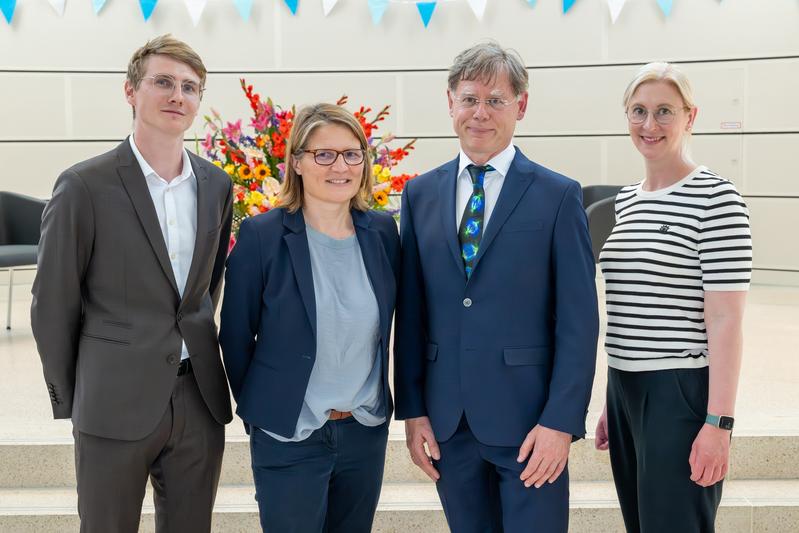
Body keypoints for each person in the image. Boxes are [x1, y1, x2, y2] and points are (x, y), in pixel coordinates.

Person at [393, 41, 599, 533]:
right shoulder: (420, 193)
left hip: (530, 424)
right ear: (450, 103)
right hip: (449, 423)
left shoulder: (557, 194)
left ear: (520, 106)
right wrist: (414, 410)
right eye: (469, 99)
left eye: (495, 100)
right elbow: (412, 311)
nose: (479, 113)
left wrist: (561, 422)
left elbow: (578, 321)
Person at [30, 35, 233, 533]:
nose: (176, 96)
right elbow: (52, 304)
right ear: (130, 92)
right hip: (111, 400)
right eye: (162, 82)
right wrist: (77, 396)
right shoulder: (84, 185)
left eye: (190, 87)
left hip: (198, 400)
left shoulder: (217, 184)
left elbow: (207, 288)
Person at [219, 103, 400, 533]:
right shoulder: (263, 235)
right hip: (289, 435)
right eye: (324, 154)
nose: (340, 166)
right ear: (297, 162)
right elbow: (235, 336)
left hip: (363, 430)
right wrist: (266, 413)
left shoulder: (382, 233)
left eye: (352, 153)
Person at [594, 62, 752, 532]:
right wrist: (612, 398)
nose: (650, 125)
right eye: (638, 111)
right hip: (625, 388)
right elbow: (628, 308)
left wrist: (719, 424)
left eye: (665, 111)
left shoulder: (716, 199)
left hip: (678, 391)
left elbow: (726, 321)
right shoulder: (624, 203)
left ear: (690, 116)